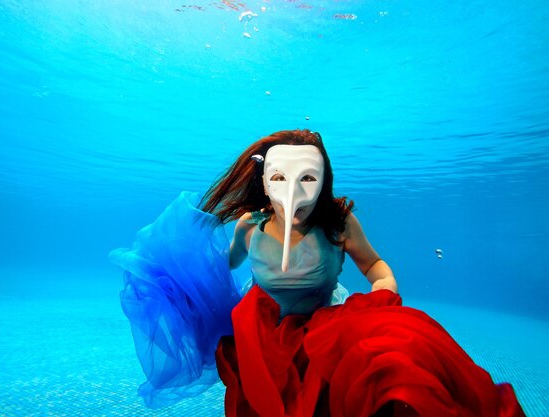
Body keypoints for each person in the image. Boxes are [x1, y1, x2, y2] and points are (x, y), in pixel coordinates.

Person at [111, 129, 526, 416]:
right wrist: (184, 286)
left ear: (324, 179)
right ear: (265, 180)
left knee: (393, 368)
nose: (293, 193)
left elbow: (374, 265)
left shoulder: (338, 223)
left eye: (307, 178)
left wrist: (384, 295)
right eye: (279, 178)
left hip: (331, 323)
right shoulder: (249, 225)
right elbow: (229, 264)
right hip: (264, 330)